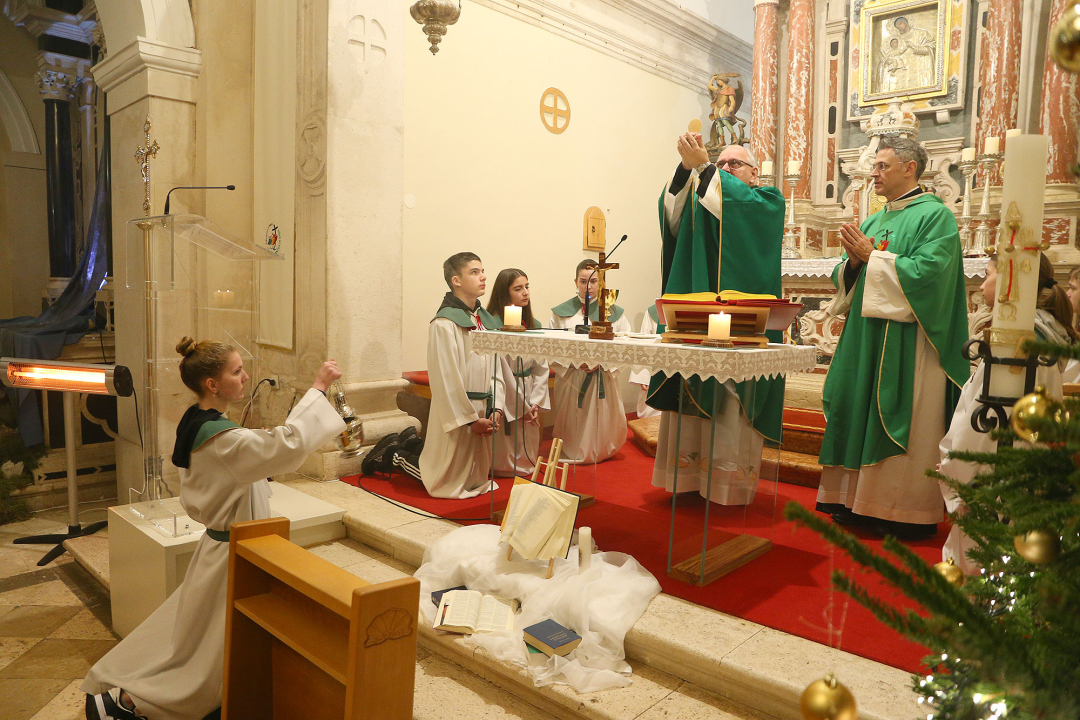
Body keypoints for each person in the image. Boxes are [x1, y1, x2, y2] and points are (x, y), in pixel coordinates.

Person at [83, 338, 345, 720]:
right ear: (212, 384)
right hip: (231, 554)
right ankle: (137, 703)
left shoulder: (198, 420)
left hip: (223, 547)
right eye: (237, 372)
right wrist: (318, 389)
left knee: (198, 639)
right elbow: (287, 444)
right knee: (205, 655)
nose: (246, 377)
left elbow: (263, 449)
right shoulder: (224, 440)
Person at [816, 136, 970, 540]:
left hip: (908, 340)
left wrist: (873, 257)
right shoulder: (874, 219)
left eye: (883, 166)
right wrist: (851, 264)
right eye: (874, 166)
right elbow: (849, 277)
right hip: (866, 336)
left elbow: (931, 274)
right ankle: (855, 501)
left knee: (905, 414)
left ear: (910, 169)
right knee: (855, 404)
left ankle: (898, 509)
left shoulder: (935, 216)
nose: (874, 173)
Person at [646, 136, 786, 505]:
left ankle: (727, 488)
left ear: (755, 174)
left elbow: (737, 207)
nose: (725, 169)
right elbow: (671, 216)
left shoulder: (767, 201)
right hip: (694, 321)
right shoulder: (701, 200)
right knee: (690, 389)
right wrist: (685, 169)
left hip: (741, 328)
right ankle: (686, 479)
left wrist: (704, 166)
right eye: (720, 163)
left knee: (728, 399)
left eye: (734, 164)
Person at [938, 254, 1078, 572]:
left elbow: (978, 420)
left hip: (989, 482)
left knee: (979, 568)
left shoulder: (1015, 346)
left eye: (988, 274)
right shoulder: (1047, 337)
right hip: (1029, 476)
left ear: (1009, 283)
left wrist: (952, 472)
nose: (983, 282)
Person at [371, 252, 505, 498]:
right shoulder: (445, 324)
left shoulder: (484, 322)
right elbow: (446, 380)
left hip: (482, 406)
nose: (483, 277)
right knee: (443, 478)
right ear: (456, 281)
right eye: (474, 272)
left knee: (473, 477)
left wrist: (496, 407)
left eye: (482, 270)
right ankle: (395, 453)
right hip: (459, 412)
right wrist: (470, 420)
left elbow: (497, 367)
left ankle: (410, 441)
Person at [549, 259, 633, 463]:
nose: (589, 286)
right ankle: (572, 448)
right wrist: (575, 363)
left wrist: (602, 363)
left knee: (602, 417)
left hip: (602, 375)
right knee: (573, 418)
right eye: (583, 281)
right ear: (575, 282)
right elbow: (550, 346)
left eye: (594, 281)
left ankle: (601, 449)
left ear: (601, 282)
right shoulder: (560, 313)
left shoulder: (615, 313)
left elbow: (626, 347)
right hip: (572, 377)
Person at [486, 268, 549, 476]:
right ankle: (501, 465)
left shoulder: (534, 325)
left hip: (527, 385)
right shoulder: (492, 326)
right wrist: (519, 404)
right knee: (507, 434)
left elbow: (541, 367)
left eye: (527, 287)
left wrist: (535, 401)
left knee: (527, 431)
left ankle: (525, 461)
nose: (525, 293)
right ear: (505, 293)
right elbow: (497, 369)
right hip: (505, 387)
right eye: (518, 288)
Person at [630, 305, 661, 419]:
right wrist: (643, 376)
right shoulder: (653, 312)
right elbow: (644, 346)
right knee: (651, 415)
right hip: (655, 372)